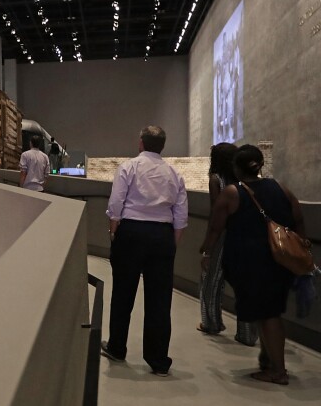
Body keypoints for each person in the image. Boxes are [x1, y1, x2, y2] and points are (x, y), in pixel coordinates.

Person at [199, 144, 305, 385]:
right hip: (280, 261)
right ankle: (270, 362)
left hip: (251, 263)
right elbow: (298, 218)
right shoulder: (281, 187)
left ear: (237, 168)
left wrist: (207, 251)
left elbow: (216, 227)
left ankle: (277, 370)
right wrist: (302, 248)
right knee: (270, 313)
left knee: (267, 316)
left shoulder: (232, 192)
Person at [101, 126, 187, 377]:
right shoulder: (174, 173)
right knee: (160, 299)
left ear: (141, 142)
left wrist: (114, 234)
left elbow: (116, 204)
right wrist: (171, 243)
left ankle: (117, 347)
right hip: (162, 235)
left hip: (131, 232)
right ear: (163, 146)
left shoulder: (128, 167)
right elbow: (180, 215)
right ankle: (158, 360)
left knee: (123, 293)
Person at [197, 142, 257, 345]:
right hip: (247, 235)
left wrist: (208, 246)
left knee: (211, 280)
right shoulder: (246, 179)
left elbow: (216, 214)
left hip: (224, 235)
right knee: (245, 283)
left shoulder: (216, 179)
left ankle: (211, 323)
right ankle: (247, 333)